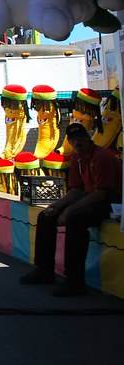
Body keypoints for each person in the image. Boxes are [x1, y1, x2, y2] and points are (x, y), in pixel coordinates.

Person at [20, 122, 123, 296]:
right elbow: (75, 190)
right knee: (45, 216)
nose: (77, 143)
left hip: (111, 201)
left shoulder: (101, 157)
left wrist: (69, 210)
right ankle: (44, 270)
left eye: (80, 139)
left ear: (88, 138)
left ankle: (75, 280)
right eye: (73, 140)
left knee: (75, 220)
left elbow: (101, 194)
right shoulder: (76, 159)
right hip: (90, 197)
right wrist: (57, 205)